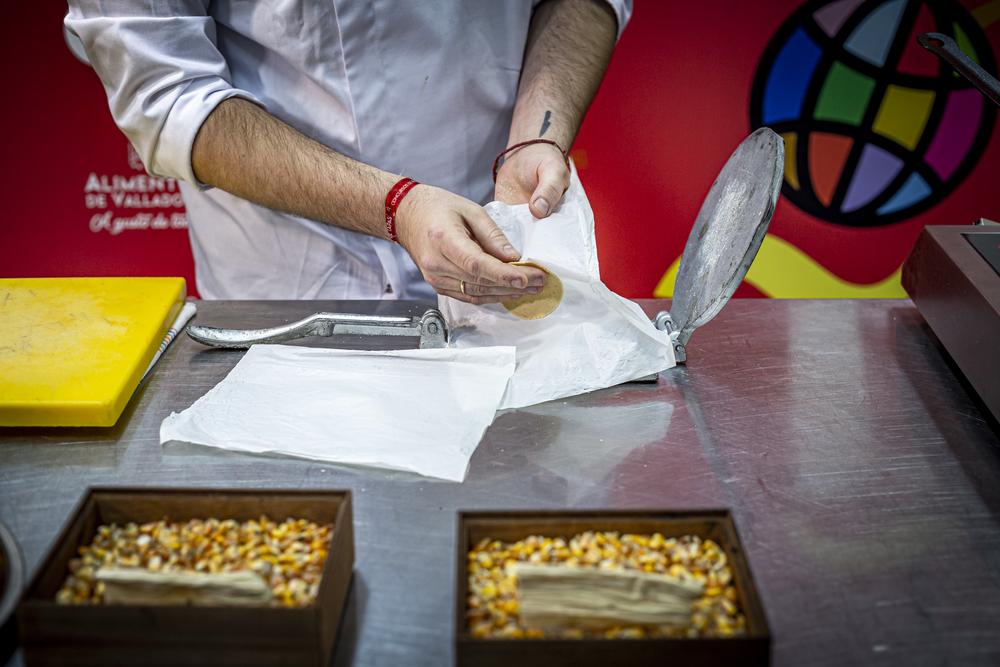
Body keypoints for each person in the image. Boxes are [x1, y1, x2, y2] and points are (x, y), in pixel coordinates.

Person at [65, 1, 630, 303]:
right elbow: (166, 90)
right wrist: (399, 206)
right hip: (289, 292)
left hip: (493, 244)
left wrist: (538, 134)